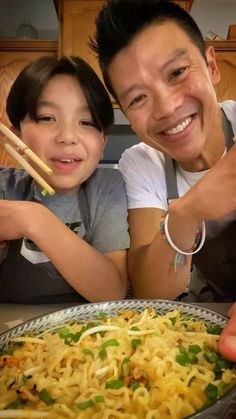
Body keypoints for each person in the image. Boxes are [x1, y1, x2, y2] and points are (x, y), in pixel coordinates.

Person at [90, 0, 236, 360]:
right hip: (195, 345)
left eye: (177, 72)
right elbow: (153, 294)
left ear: (212, 65)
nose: (167, 107)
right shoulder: (141, 162)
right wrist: (188, 210)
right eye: (138, 98)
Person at [0, 55, 129, 304]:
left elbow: (112, 292)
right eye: (47, 118)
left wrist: (34, 219)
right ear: (17, 136)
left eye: (87, 121)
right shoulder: (6, 187)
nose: (68, 137)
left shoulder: (107, 187)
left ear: (102, 143)